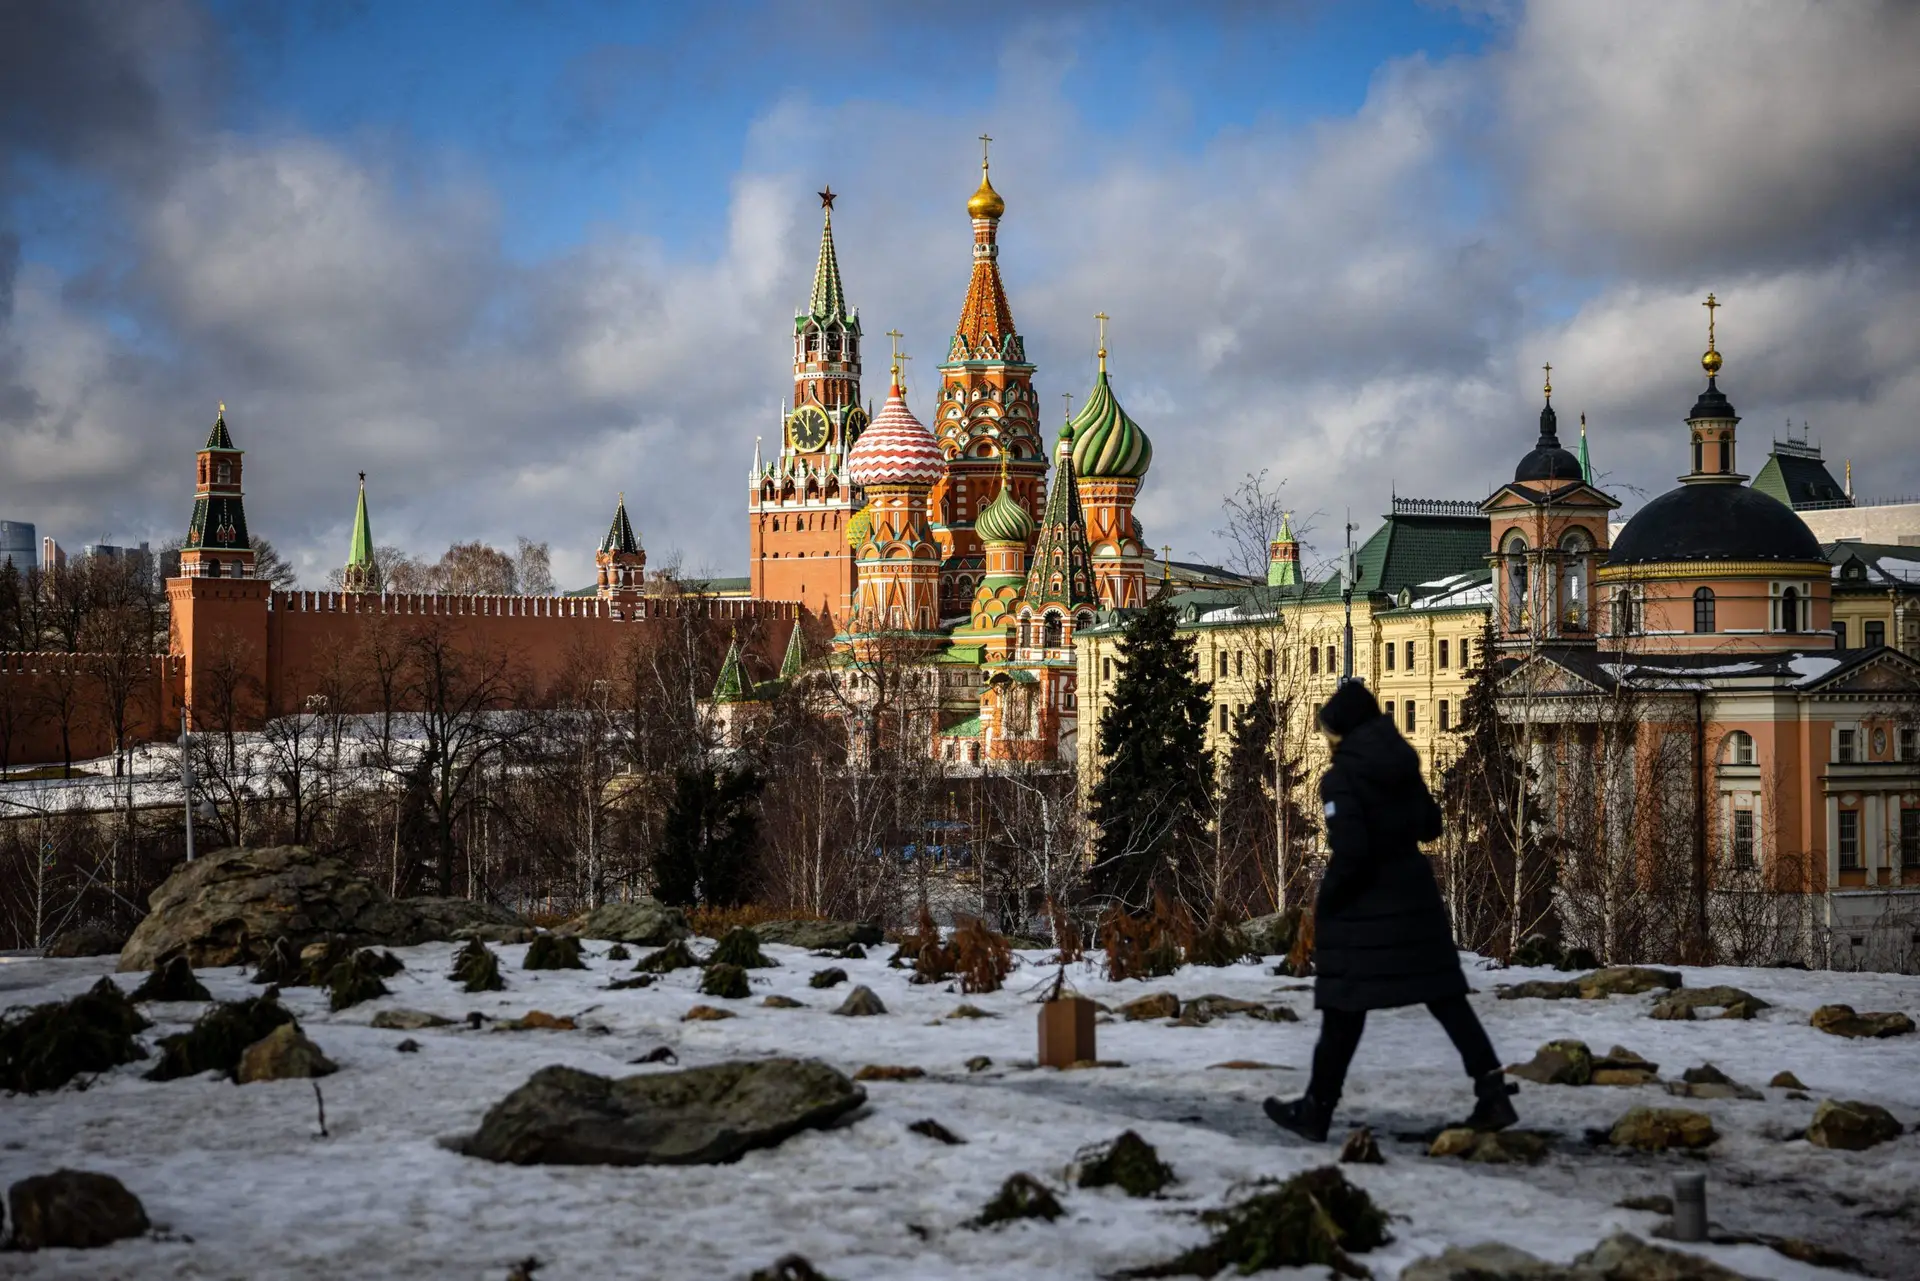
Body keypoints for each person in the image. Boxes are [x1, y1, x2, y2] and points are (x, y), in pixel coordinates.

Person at [1265, 679, 1516, 1142]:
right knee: (1447, 1000)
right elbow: (1430, 826)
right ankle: (1493, 1092)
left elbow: (1351, 851)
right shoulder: (1402, 762)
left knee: (1343, 1010)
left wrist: (1328, 903)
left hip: (1365, 913)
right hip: (1416, 902)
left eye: (1329, 733)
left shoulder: (1341, 778)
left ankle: (1317, 1110)